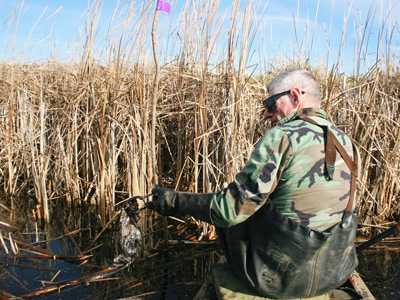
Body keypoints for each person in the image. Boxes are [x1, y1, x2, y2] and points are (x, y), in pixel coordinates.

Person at [148, 68, 360, 299]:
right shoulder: (347, 142)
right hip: (331, 275)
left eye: (270, 104)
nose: (267, 114)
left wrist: (174, 200)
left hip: (277, 282)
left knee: (235, 214)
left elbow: (228, 210)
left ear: (296, 96)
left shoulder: (282, 136)